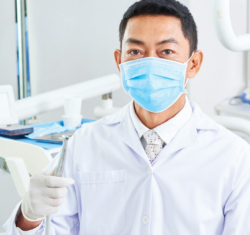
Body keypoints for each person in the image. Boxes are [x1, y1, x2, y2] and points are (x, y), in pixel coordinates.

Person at [4, 0, 250, 234]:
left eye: (166, 51)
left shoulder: (233, 158)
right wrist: (28, 216)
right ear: (119, 61)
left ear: (193, 64)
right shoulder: (83, 145)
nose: (150, 62)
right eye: (135, 51)